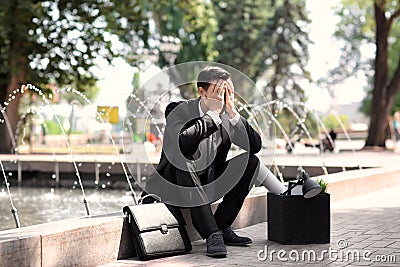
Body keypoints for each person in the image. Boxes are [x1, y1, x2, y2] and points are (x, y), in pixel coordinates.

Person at [142, 66, 285, 258]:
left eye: (227, 91)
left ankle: (221, 226)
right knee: (184, 159)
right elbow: (183, 143)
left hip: (208, 183)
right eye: (219, 91)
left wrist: (233, 113)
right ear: (202, 91)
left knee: (250, 162)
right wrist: (213, 116)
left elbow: (255, 145)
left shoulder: (228, 116)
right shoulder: (178, 110)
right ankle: (211, 234)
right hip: (176, 185)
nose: (223, 96)